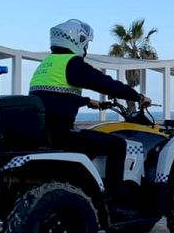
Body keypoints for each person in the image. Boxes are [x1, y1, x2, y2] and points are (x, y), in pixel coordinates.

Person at [29, 19, 152, 190]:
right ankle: (112, 196)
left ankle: (84, 185)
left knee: (91, 143)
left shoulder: (47, 64)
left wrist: (88, 102)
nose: (86, 48)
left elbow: (54, 98)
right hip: (61, 135)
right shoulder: (71, 63)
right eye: (86, 43)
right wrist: (137, 96)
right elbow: (103, 83)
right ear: (77, 40)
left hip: (44, 133)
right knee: (118, 146)